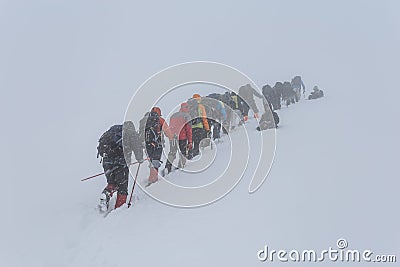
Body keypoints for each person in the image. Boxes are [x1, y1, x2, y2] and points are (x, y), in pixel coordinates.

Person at [97, 121, 143, 212]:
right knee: (122, 187)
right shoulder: (131, 133)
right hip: (121, 163)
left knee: (112, 183)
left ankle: (106, 194)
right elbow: (138, 149)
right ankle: (119, 209)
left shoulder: (112, 131)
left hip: (107, 161)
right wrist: (140, 159)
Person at [139, 107, 172, 185]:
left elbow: (141, 133)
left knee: (151, 161)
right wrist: (172, 138)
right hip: (157, 144)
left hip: (147, 145)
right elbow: (167, 131)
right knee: (155, 161)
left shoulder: (145, 120)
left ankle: (152, 177)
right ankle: (153, 179)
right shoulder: (160, 120)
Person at [164, 102, 193, 174]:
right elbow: (188, 129)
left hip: (173, 137)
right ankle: (180, 166)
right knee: (182, 153)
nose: (188, 109)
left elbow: (170, 127)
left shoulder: (173, 115)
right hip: (182, 138)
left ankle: (167, 167)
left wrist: (170, 135)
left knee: (172, 152)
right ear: (184, 108)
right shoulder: (187, 116)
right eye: (186, 107)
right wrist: (190, 141)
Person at [187, 93, 210, 159]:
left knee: (191, 142)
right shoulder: (201, 107)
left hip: (191, 128)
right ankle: (195, 157)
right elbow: (204, 119)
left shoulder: (189, 106)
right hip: (199, 127)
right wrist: (207, 128)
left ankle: (189, 155)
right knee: (197, 143)